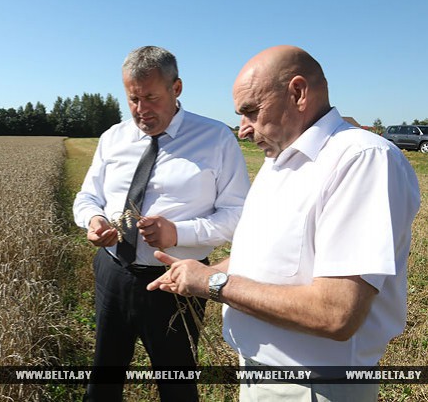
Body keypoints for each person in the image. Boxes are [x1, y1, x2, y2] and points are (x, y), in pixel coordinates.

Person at [148, 45, 421, 402]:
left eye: (250, 111)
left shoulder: (362, 160)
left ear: (298, 92)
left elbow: (336, 313)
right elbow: (268, 257)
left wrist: (213, 283)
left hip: (313, 388)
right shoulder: (279, 163)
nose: (243, 129)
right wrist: (201, 272)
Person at [73, 45, 250, 401]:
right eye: (133, 99)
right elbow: (87, 197)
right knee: (104, 376)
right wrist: (93, 221)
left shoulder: (216, 138)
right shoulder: (113, 138)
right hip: (113, 272)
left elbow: (238, 217)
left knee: (177, 383)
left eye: (151, 97)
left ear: (177, 88)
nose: (141, 110)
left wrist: (177, 233)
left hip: (177, 283)